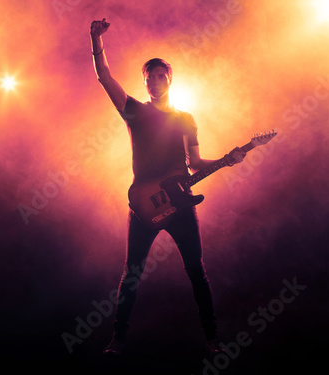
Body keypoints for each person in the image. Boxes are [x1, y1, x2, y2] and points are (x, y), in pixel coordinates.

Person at [89, 18, 246, 356]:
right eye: (150, 76)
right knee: (132, 273)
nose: (155, 80)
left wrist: (228, 158)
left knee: (197, 273)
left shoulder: (186, 119)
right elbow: (104, 76)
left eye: (162, 75)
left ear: (170, 79)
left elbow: (196, 164)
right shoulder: (134, 112)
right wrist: (96, 39)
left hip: (182, 205)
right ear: (144, 81)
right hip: (145, 205)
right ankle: (118, 339)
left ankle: (212, 338)